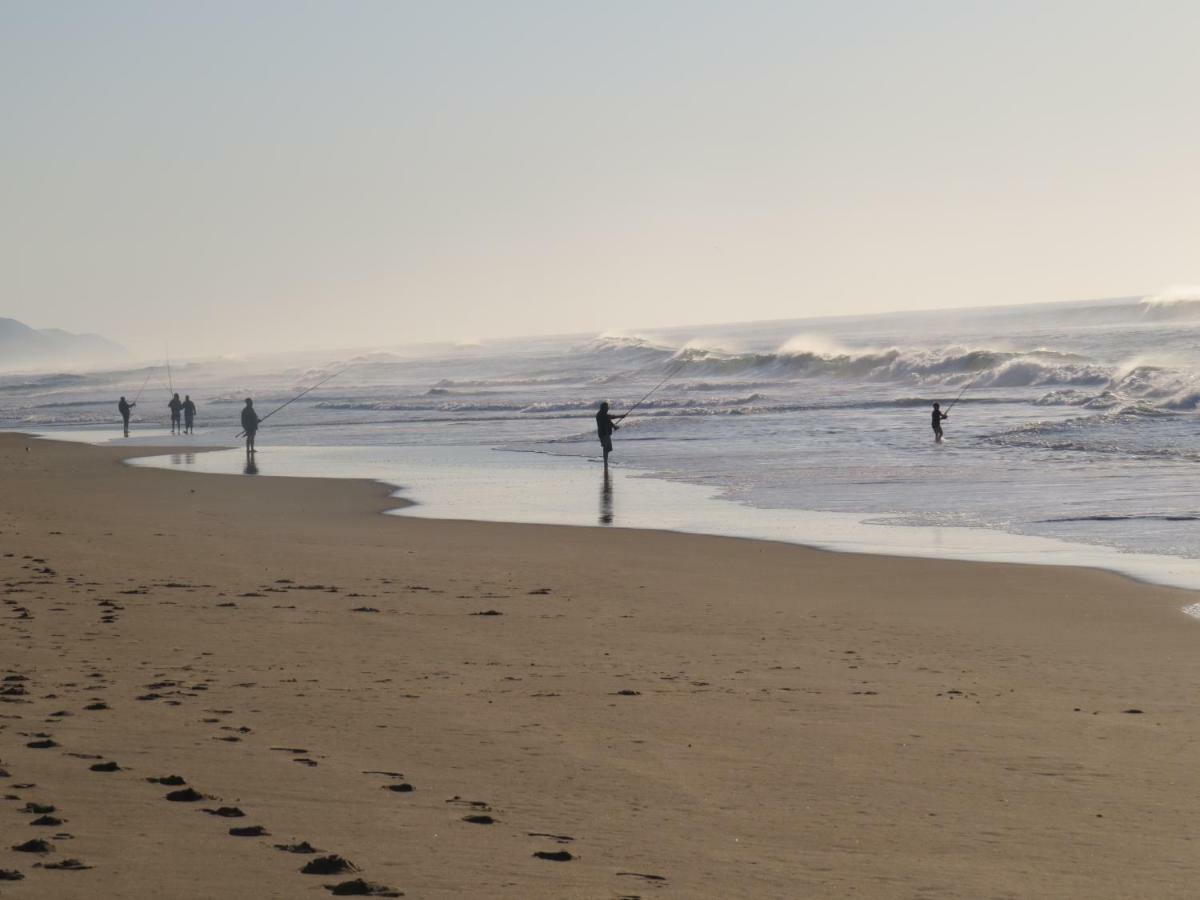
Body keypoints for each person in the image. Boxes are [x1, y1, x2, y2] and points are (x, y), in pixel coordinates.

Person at [595, 400, 620, 468]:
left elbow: (609, 418)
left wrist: (620, 416)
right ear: (602, 408)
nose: (607, 409)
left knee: (607, 448)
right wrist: (614, 426)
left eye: (607, 407)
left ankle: (605, 462)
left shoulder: (601, 414)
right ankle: (605, 462)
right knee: (607, 448)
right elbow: (608, 420)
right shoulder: (601, 415)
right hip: (604, 434)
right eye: (606, 407)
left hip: (603, 433)